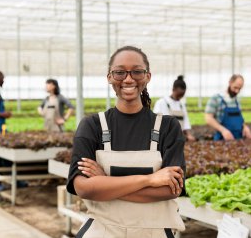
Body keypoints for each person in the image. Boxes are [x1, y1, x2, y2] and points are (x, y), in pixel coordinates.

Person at [66, 46, 186, 238]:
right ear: (109, 77)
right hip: (103, 230)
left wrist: (104, 183)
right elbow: (83, 188)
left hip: (154, 232)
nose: (128, 79)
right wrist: (149, 180)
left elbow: (171, 189)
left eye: (137, 71)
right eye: (120, 72)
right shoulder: (92, 126)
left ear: (147, 76)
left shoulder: (167, 127)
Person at [205, 74, 251, 141]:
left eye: (239, 89)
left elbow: (240, 118)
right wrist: (223, 130)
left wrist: (245, 127)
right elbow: (208, 118)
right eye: (235, 87)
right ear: (230, 83)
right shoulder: (216, 98)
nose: (237, 91)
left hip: (238, 139)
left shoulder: (237, 100)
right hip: (222, 139)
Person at [153, 75, 196, 141]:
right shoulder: (162, 102)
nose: (180, 97)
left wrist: (189, 135)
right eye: (179, 94)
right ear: (173, 89)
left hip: (179, 138)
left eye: (182, 95)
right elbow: (156, 123)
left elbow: (186, 122)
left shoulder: (181, 105)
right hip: (165, 137)